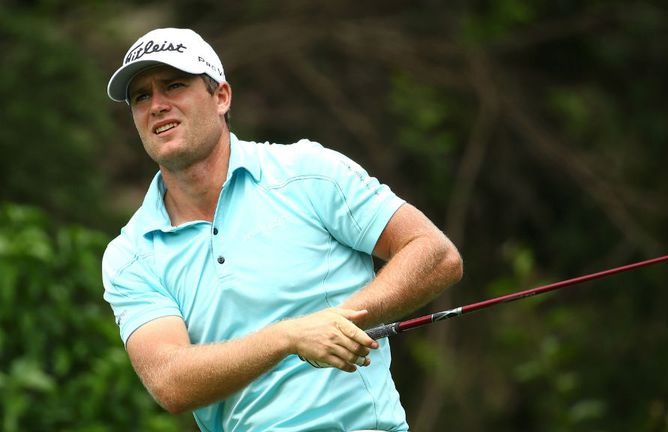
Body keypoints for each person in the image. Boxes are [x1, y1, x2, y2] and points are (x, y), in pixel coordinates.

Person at [101, 27, 462, 432]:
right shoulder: (131, 254)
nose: (157, 105)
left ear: (221, 96)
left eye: (174, 86)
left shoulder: (307, 172)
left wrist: (339, 319)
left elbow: (433, 252)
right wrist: (289, 337)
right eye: (141, 97)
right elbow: (170, 382)